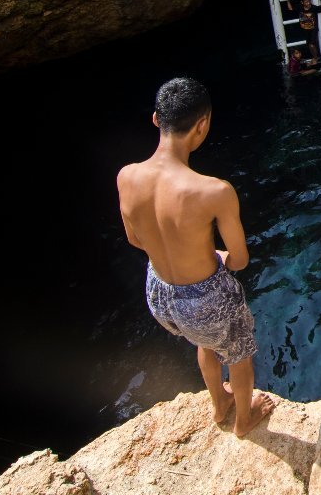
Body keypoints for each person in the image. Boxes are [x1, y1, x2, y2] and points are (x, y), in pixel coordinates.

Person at [116, 78, 275, 437]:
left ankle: (220, 404)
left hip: (159, 296)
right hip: (205, 300)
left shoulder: (126, 176)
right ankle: (244, 421)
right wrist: (215, 257)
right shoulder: (213, 191)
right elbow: (239, 259)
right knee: (239, 356)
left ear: (157, 119)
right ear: (202, 125)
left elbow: (134, 238)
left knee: (205, 342)